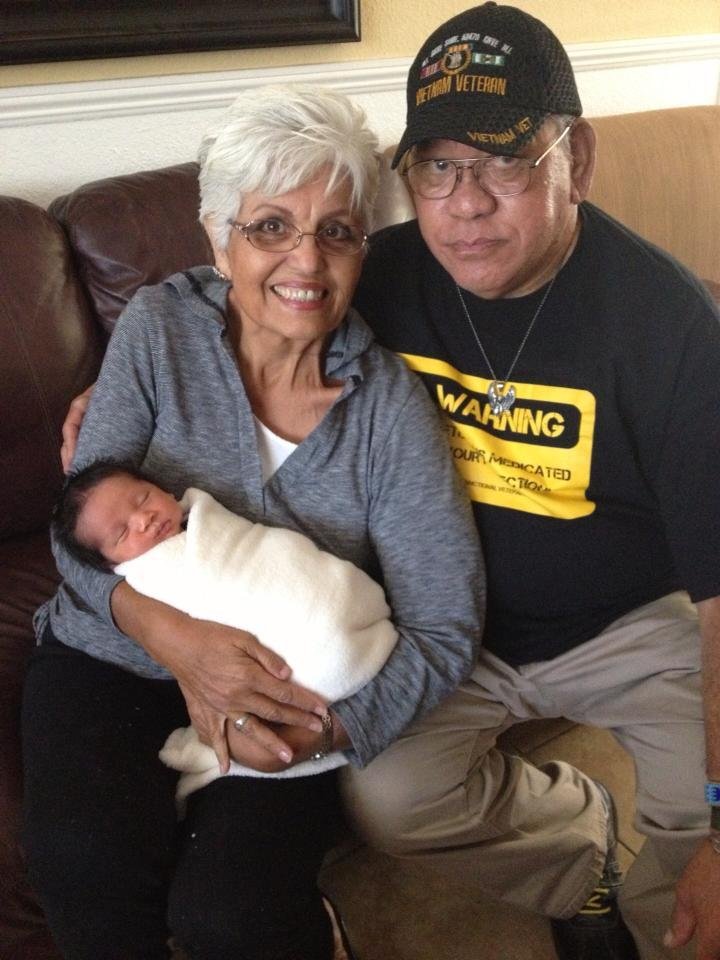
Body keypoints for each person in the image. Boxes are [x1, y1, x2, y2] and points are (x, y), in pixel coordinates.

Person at [22, 85, 485, 960]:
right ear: (217, 239)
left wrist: (331, 730)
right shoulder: (161, 328)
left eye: (337, 231)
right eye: (271, 226)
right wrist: (174, 639)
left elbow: (445, 624)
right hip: (109, 655)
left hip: (286, 694)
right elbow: (77, 529)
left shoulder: (389, 409)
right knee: (87, 867)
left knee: (234, 916)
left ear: (363, 248)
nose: (306, 259)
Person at [340, 5, 720, 960]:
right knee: (391, 798)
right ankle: (580, 859)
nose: (465, 204)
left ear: (575, 161)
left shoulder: (674, 329)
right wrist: (130, 389)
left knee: (700, 829)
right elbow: (239, 311)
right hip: (444, 629)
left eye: (504, 162)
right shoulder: (378, 278)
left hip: (628, 626)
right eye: (437, 167)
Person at [53, 460, 398, 792]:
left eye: (143, 498)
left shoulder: (206, 517)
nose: (144, 519)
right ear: (110, 564)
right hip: (89, 661)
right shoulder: (144, 573)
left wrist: (310, 737)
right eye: (122, 533)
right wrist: (171, 640)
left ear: (165, 490)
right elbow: (67, 548)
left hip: (301, 659)